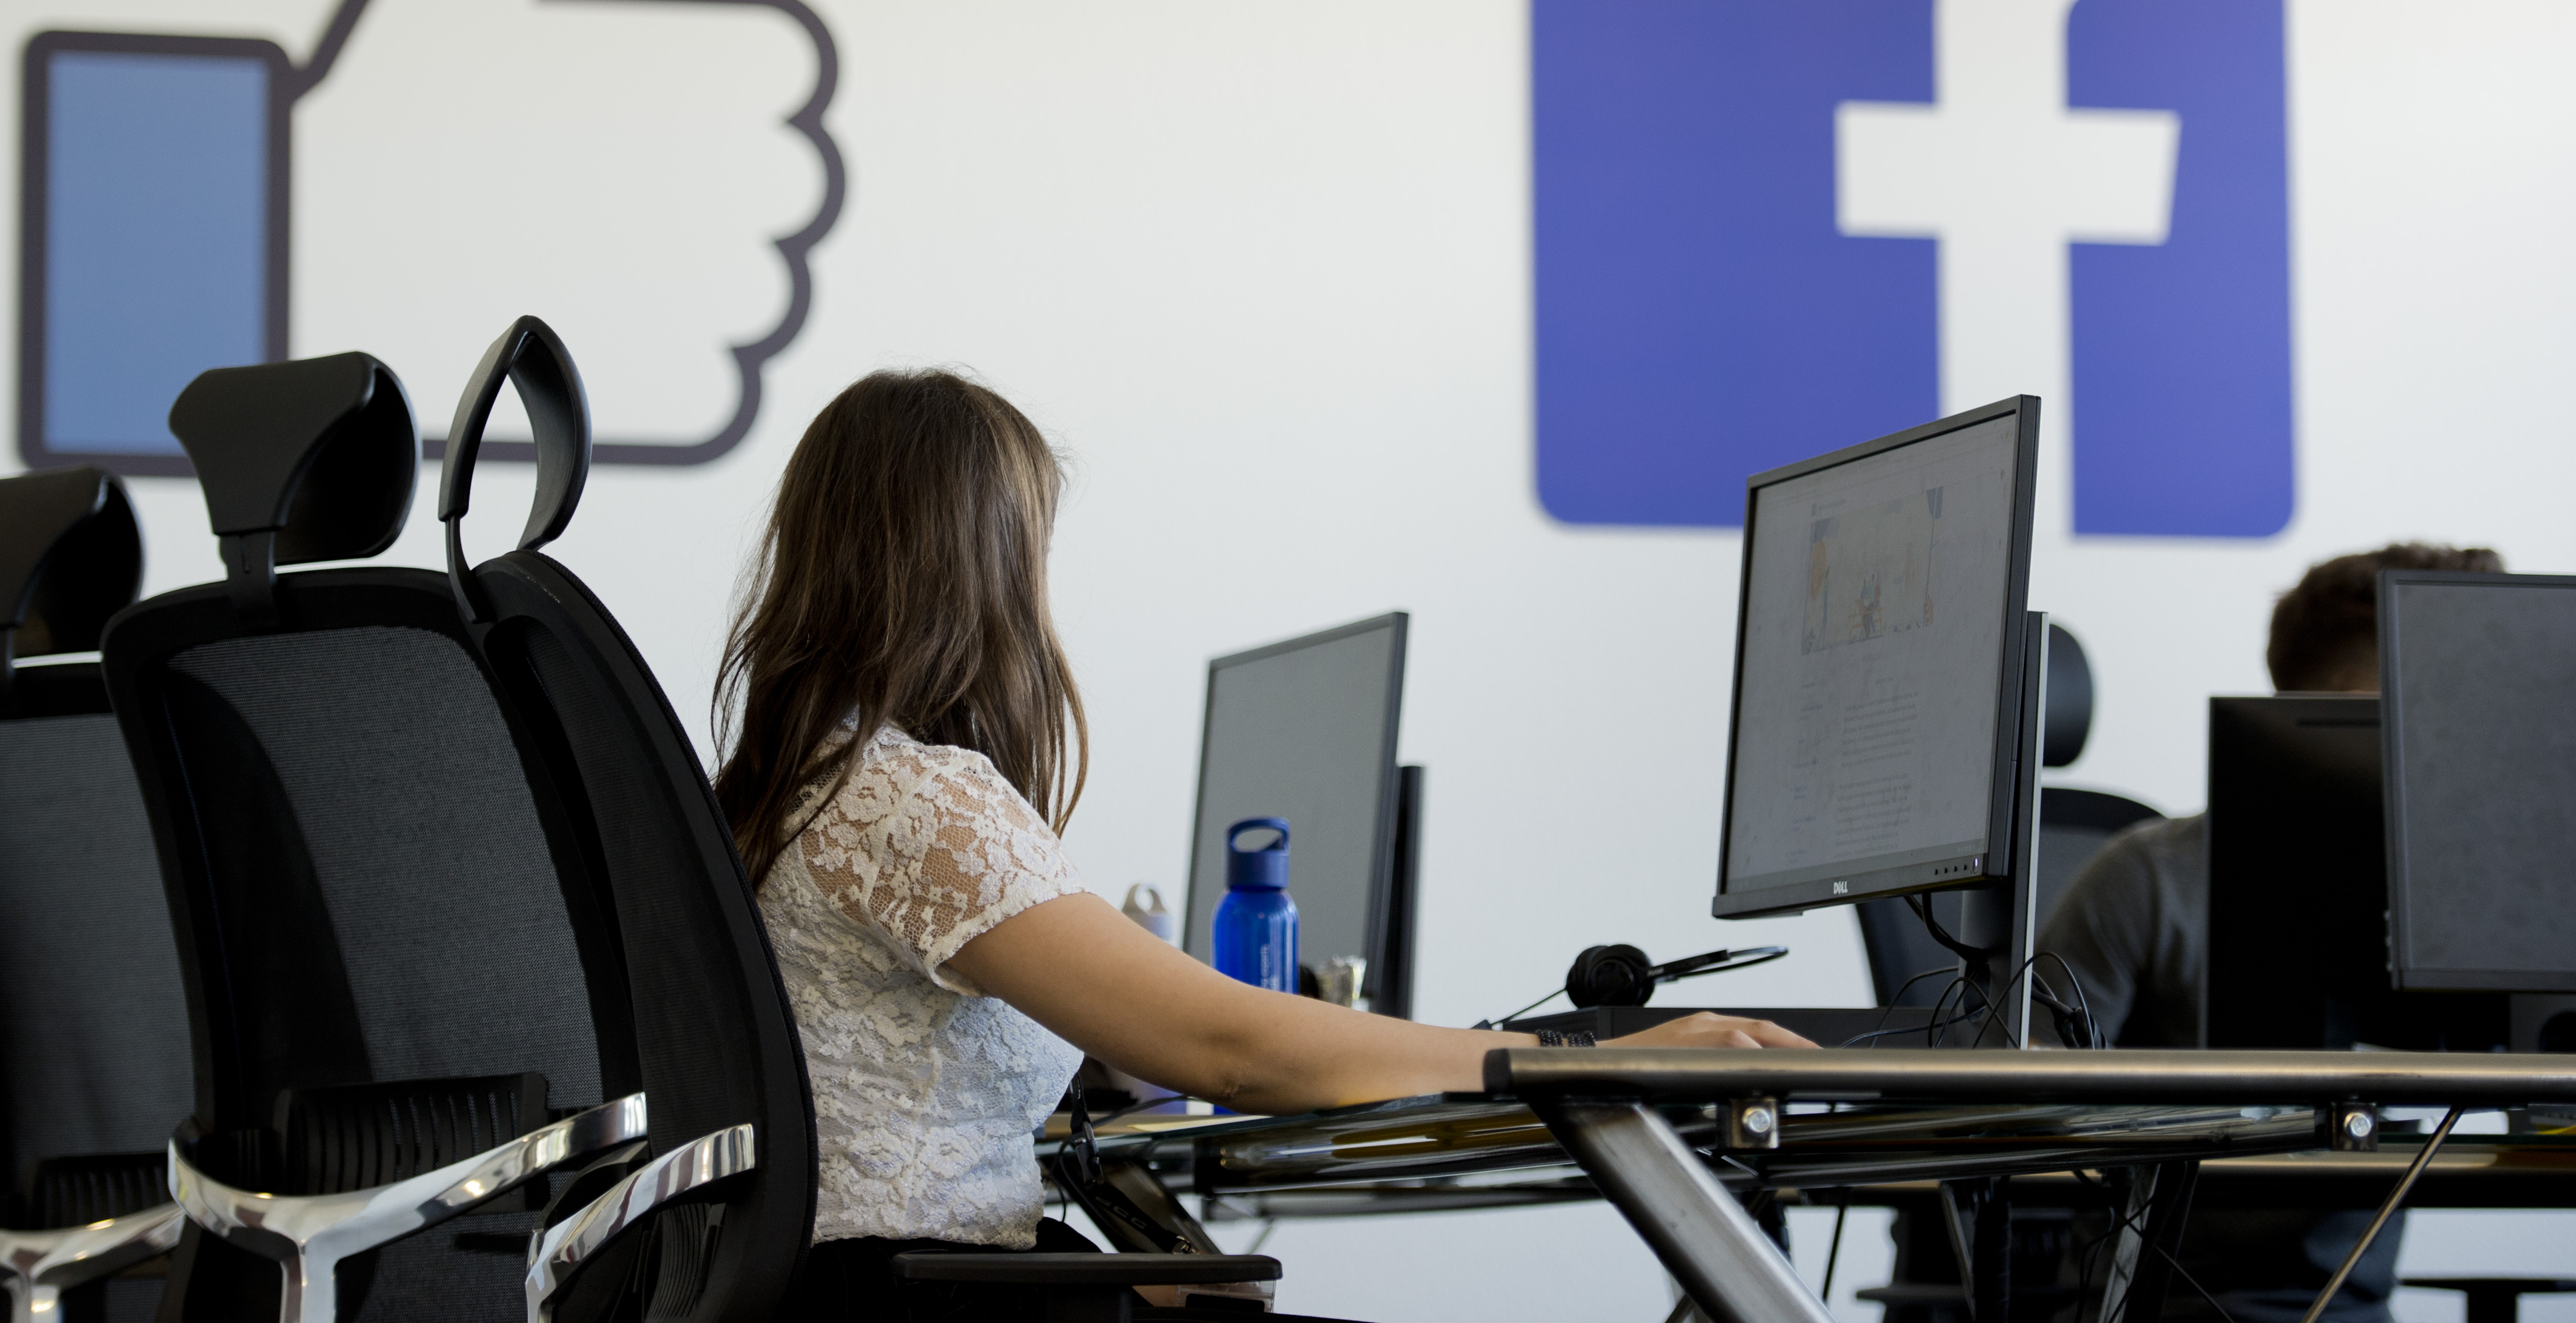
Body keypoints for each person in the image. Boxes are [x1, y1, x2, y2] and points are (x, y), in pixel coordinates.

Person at [711, 369, 1815, 1320]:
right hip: (925, 1303)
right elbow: (1238, 1053)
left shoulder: (796, 790)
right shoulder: (910, 800)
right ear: (981, 570)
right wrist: (1582, 1056)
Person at [2037, 541, 2504, 1323]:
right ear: (2359, 706)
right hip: (2164, 1314)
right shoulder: (2147, 878)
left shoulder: (2470, 901)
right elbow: (2014, 1093)